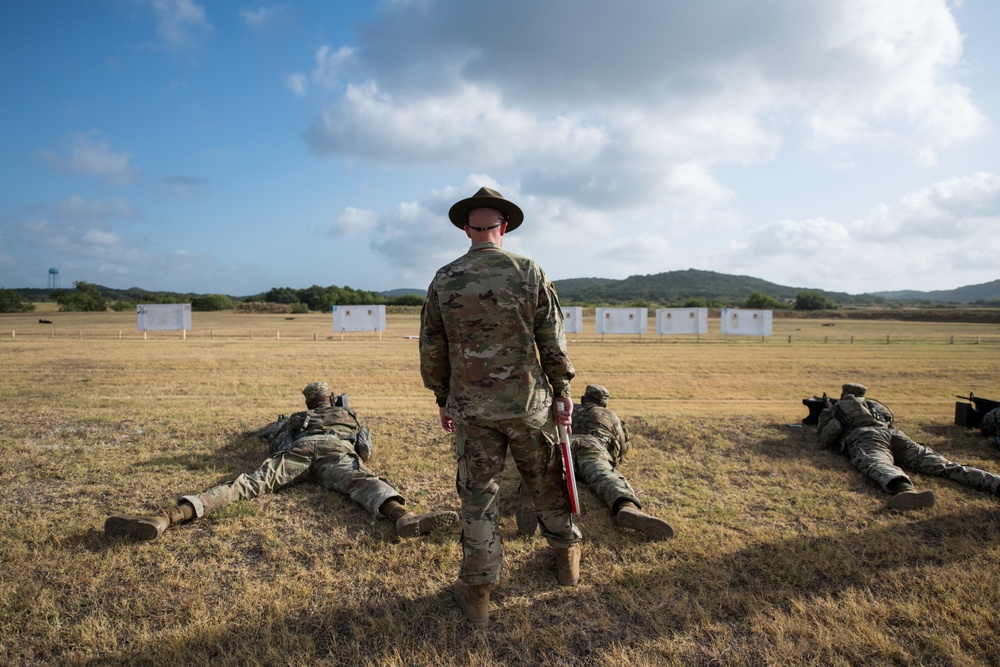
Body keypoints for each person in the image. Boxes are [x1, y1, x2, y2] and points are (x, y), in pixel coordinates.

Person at [419, 186, 582, 627]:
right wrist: (563, 390)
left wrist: (442, 398)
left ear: (466, 230)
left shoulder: (445, 278)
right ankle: (567, 560)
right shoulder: (529, 272)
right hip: (529, 405)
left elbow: (432, 347)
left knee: (478, 498)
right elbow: (552, 339)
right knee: (546, 482)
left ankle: (478, 592)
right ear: (503, 228)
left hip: (472, 411)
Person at [105, 382, 458, 541]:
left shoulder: (297, 418)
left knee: (245, 485)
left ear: (310, 403)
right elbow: (364, 452)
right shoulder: (348, 418)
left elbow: (274, 437)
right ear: (331, 398)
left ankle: (167, 517)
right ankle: (403, 517)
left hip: (299, 451)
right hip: (336, 451)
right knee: (367, 484)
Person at [515, 384, 674, 540]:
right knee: (606, 476)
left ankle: (531, 492)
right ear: (604, 403)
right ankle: (627, 506)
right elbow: (623, 446)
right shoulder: (609, 414)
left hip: (564, 442)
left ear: (584, 398)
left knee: (545, 471)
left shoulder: (569, 410)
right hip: (592, 446)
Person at [817, 382, 1000, 510]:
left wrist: (829, 413)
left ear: (843, 394)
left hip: (866, 437)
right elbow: (890, 420)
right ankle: (993, 481)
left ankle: (904, 490)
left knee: (878, 463)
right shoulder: (875, 406)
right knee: (943, 465)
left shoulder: (836, 409)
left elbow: (826, 438)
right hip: (895, 435)